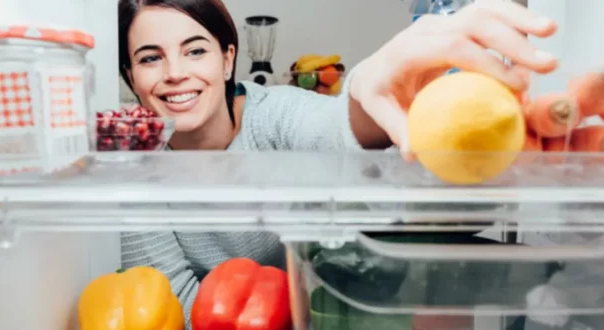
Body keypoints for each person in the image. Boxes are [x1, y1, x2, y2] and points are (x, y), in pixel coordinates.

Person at [118, 0, 559, 327]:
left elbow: (335, 130)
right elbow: (169, 303)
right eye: (150, 58)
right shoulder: (135, 167)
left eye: (195, 50)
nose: (175, 72)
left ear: (228, 57)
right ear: (131, 77)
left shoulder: (274, 114)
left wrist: (371, 89)